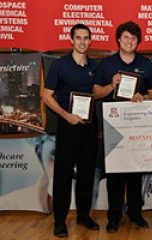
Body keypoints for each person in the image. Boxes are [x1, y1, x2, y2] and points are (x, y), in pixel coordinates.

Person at [93, 21, 152, 233]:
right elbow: (95, 93)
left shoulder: (147, 65)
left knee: (135, 173)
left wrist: (143, 96)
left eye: (134, 38)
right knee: (115, 175)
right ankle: (114, 216)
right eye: (126, 37)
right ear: (119, 39)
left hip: (138, 125)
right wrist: (112, 85)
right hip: (114, 125)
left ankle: (135, 213)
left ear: (138, 42)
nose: (129, 41)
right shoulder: (107, 65)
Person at [42, 24, 99, 238]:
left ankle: (83, 216)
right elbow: (47, 96)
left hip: (88, 126)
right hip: (67, 126)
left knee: (86, 173)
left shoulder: (94, 66)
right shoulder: (60, 66)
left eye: (86, 38)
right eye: (78, 38)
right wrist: (66, 115)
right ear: (71, 40)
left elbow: (97, 92)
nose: (82, 42)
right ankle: (59, 221)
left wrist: (112, 85)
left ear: (90, 41)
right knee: (63, 175)